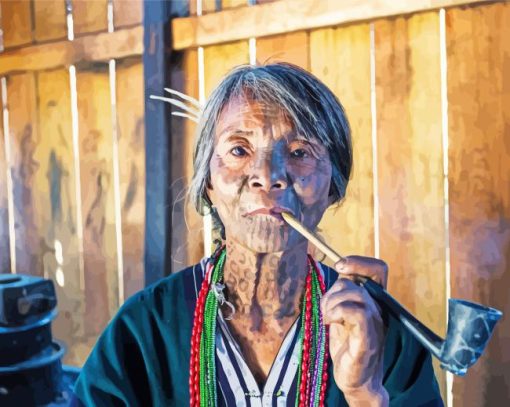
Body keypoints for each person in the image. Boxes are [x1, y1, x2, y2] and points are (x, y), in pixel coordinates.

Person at [72, 63, 443, 406]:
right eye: (238, 149)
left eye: (299, 151)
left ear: (333, 186)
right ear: (208, 185)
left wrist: (364, 393)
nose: (268, 175)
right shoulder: (144, 329)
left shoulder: (378, 332)